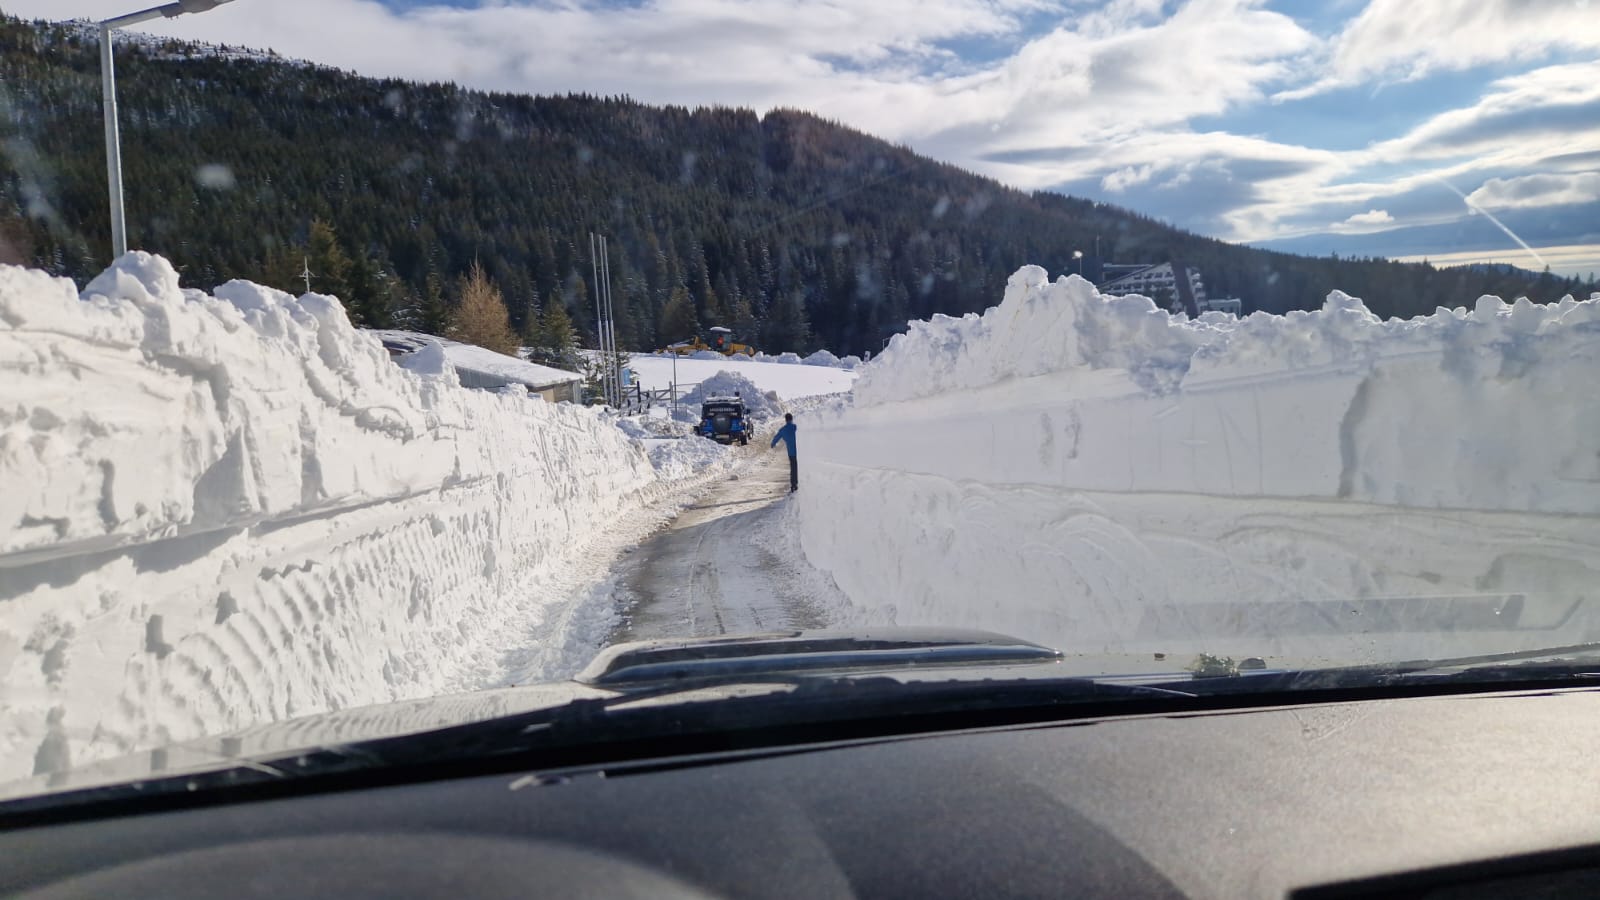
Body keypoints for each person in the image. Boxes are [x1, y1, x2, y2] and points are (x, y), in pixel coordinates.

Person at [771, 413, 798, 492]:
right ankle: (797, 483)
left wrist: (773, 444)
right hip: (799, 451)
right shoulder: (795, 427)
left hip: (791, 452)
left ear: (786, 420)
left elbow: (776, 437)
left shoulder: (783, 429)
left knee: (793, 468)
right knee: (797, 467)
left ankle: (793, 485)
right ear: (792, 419)